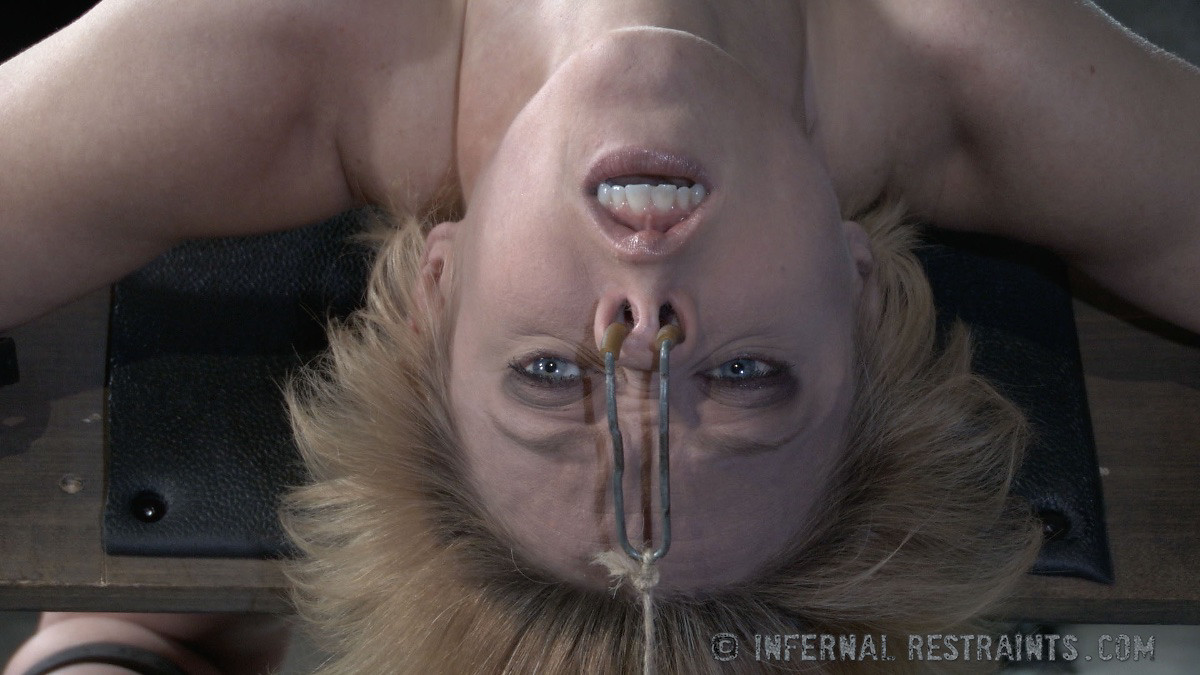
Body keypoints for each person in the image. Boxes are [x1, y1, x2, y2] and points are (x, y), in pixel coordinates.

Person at [3, 0, 1198, 672]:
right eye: (744, 376)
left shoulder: (282, 57)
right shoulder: (966, 65)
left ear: (438, 287)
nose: (643, 334)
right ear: (863, 290)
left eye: (548, 375)